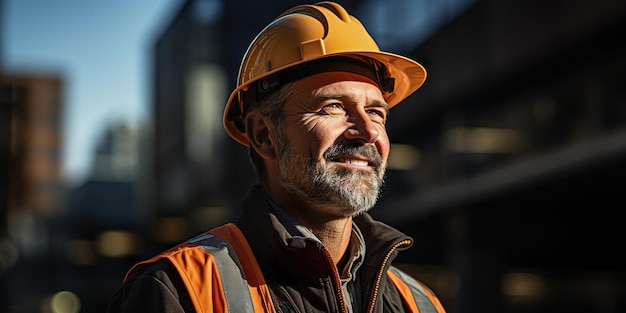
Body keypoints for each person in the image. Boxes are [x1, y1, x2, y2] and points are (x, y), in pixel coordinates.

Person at [107, 2, 446, 312]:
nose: (368, 131)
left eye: (376, 113)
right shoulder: (177, 290)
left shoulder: (418, 303)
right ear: (264, 136)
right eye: (333, 107)